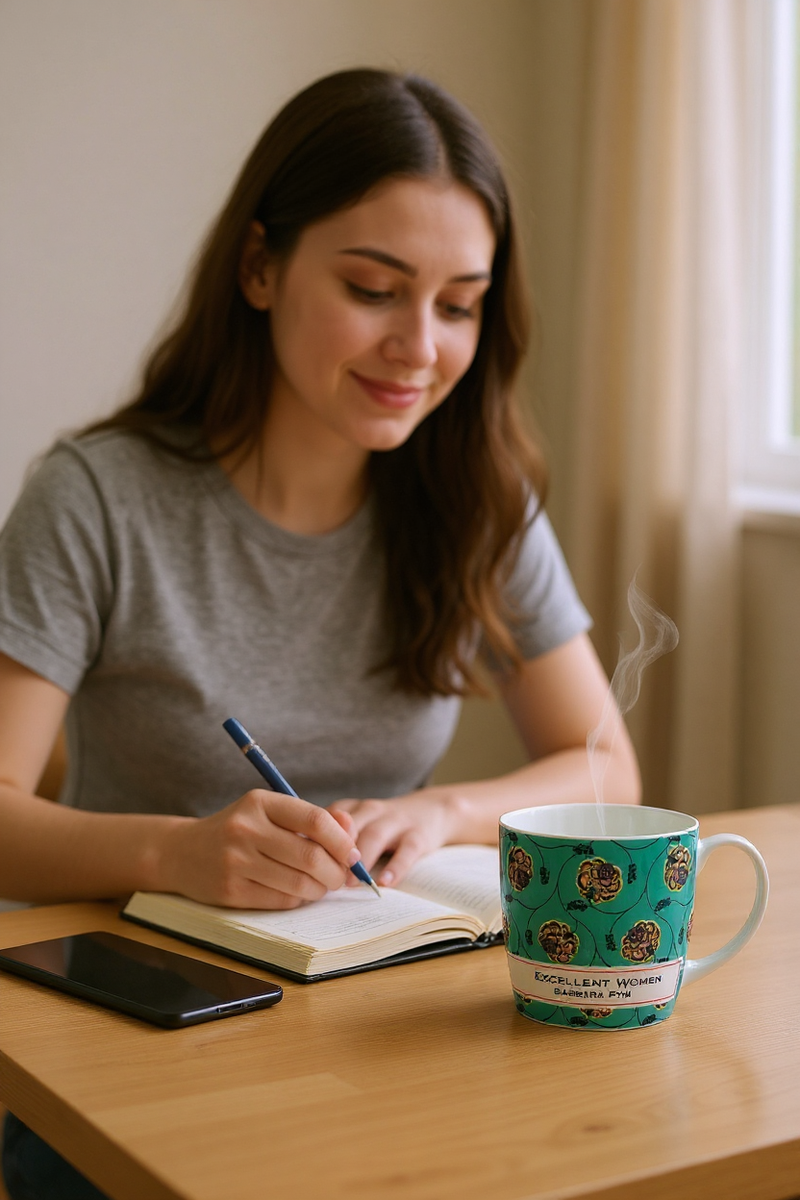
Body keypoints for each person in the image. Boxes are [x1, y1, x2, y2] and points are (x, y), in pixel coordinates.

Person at [0, 68, 639, 1199]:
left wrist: (444, 811)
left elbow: (606, 769)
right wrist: (179, 852)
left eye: (456, 304)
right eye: (372, 288)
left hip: (377, 1037)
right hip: (134, 1040)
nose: (418, 348)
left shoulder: (476, 500)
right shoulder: (99, 496)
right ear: (259, 267)